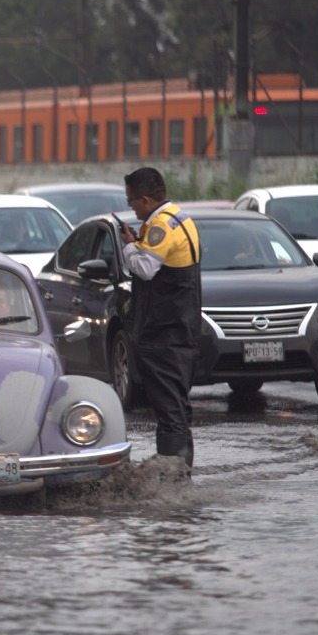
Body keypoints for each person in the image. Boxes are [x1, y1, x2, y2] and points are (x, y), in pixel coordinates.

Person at [118, 167, 201, 472]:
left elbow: (144, 268)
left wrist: (128, 245)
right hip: (181, 331)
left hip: (164, 335)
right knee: (177, 407)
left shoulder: (161, 227)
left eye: (132, 202)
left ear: (145, 199)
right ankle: (181, 475)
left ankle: (173, 481)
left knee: (169, 411)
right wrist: (137, 239)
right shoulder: (182, 218)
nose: (132, 207)